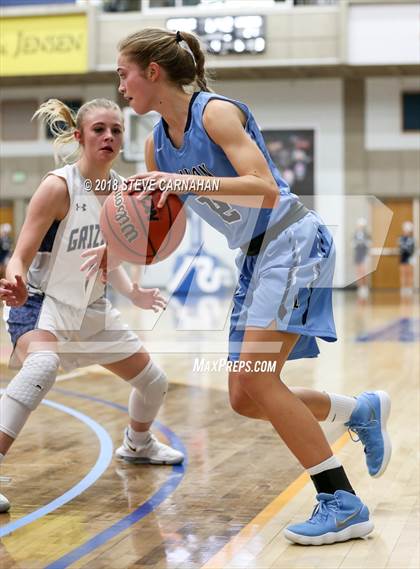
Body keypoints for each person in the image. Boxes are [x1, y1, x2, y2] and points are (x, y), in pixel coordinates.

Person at [91, 27, 395, 546]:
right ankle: (356, 410)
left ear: (154, 72)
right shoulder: (155, 145)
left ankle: (341, 501)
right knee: (244, 397)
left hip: (291, 239)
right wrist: (116, 243)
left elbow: (267, 190)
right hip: (255, 258)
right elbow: (161, 221)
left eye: (125, 74)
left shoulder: (215, 113)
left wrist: (184, 182)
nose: (122, 88)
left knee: (258, 379)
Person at [0, 98, 184, 514]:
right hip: (43, 303)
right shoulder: (58, 186)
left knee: (153, 382)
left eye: (116, 130)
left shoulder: (122, 193)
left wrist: (132, 291)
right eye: (99, 129)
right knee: (42, 367)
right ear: (80, 136)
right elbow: (20, 254)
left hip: (92, 308)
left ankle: (137, 445)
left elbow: (106, 255)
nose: (109, 137)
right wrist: (15, 281)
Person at [352, 217, 371, 302]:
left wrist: (364, 243)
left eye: (361, 226)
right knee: (358, 272)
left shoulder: (367, 234)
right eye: (359, 225)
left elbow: (369, 244)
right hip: (357, 255)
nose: (360, 227)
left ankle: (365, 287)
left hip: (364, 255)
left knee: (364, 272)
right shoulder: (355, 234)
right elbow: (352, 244)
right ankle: (360, 287)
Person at [399, 221, 416, 298]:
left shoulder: (412, 239)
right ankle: (403, 288)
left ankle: (409, 288)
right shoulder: (401, 238)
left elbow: (413, 249)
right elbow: (401, 248)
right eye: (405, 230)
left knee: (409, 273)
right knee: (403, 273)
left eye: (408, 231)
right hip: (403, 257)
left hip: (410, 258)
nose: (406, 232)